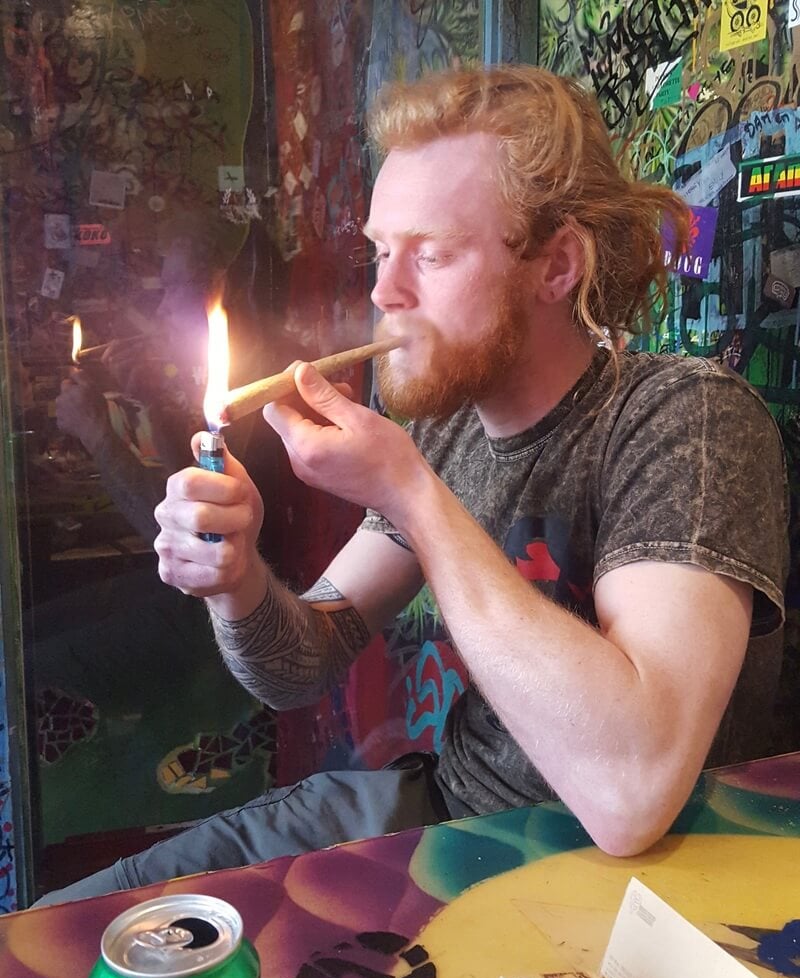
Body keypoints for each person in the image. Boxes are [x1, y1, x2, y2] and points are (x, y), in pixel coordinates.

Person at [37, 65, 789, 906]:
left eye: (429, 255)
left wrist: (414, 496)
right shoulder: (447, 427)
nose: (383, 293)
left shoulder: (683, 420)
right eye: (381, 251)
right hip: (437, 818)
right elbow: (301, 665)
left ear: (558, 267)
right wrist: (238, 579)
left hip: (610, 888)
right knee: (60, 930)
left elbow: (631, 797)